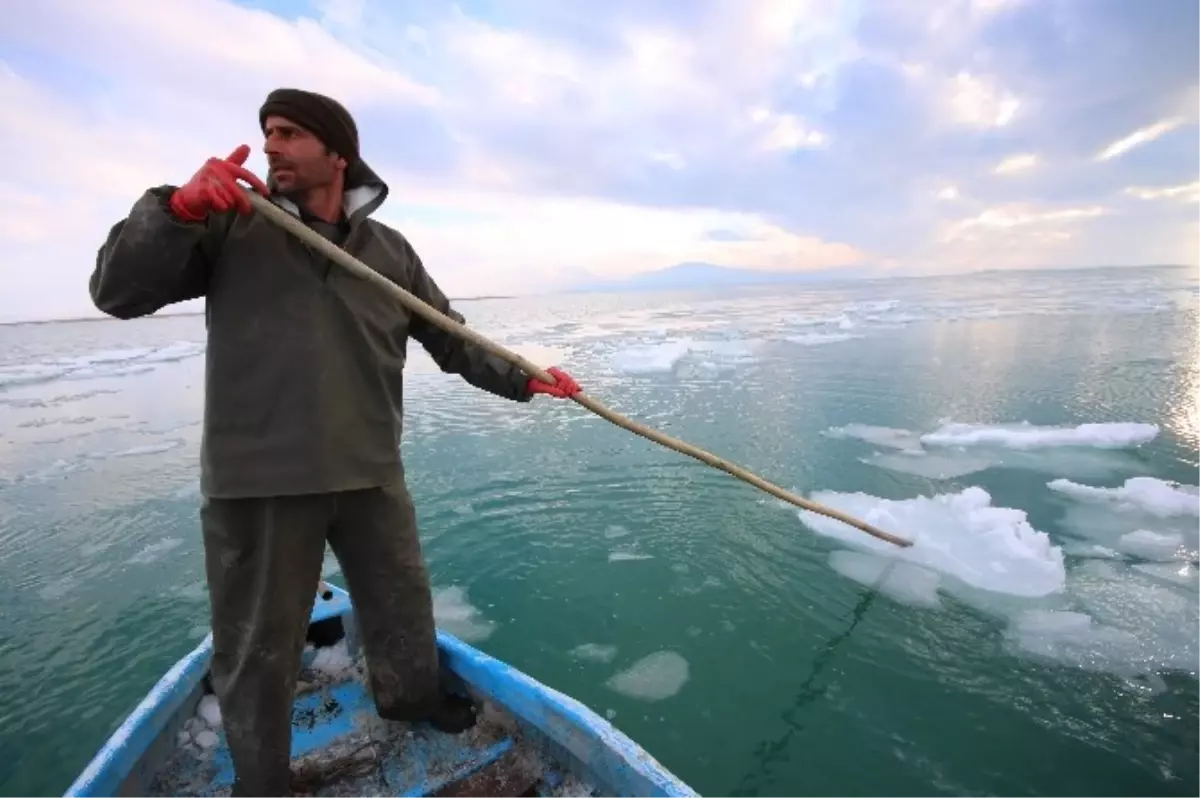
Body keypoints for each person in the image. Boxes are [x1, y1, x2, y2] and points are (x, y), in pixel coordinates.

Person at [89, 87, 582, 797]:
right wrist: (175, 211)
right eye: (266, 133)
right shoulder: (230, 226)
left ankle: (411, 701)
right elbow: (116, 290)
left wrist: (528, 379)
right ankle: (259, 781)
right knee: (257, 648)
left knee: (401, 607)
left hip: (369, 469)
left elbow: (449, 335)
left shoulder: (389, 251)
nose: (269, 147)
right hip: (258, 480)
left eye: (288, 133)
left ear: (337, 153)